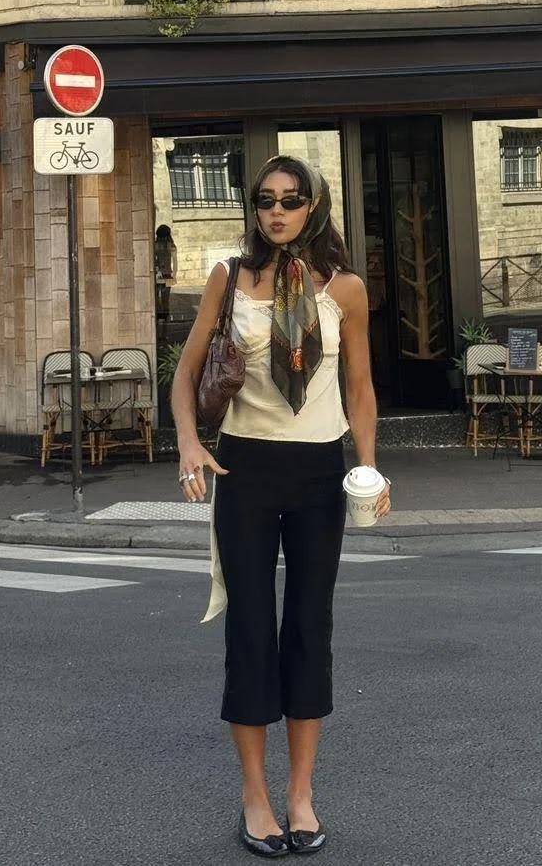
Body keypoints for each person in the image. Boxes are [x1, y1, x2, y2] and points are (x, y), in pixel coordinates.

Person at [171, 155, 391, 857]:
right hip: (245, 466)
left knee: (308, 629)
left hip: (321, 472)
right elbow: (185, 374)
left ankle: (300, 793)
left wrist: (369, 467)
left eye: (291, 200)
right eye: (265, 199)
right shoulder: (229, 278)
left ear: (313, 206)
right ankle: (255, 796)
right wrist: (187, 444)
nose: (277, 211)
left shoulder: (346, 289)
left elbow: (359, 386)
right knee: (251, 632)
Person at [154, 223, 177, 337]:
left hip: (158, 275)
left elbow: (154, 260)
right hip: (167, 274)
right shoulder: (171, 246)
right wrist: (175, 275)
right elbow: (175, 262)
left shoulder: (155, 245)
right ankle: (165, 331)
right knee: (165, 302)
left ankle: (160, 329)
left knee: (158, 303)